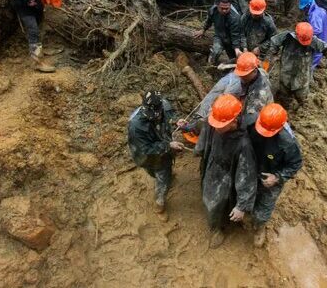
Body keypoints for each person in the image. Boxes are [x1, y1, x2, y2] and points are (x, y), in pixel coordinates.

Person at [199, 94, 257, 248]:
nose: (216, 127)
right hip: (212, 164)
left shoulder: (243, 144)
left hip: (227, 175)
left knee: (218, 203)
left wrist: (242, 206)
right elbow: (204, 126)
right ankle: (218, 223)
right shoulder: (217, 124)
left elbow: (247, 177)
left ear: (234, 121)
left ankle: (218, 228)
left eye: (220, 124)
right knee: (208, 196)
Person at [249, 103, 303, 247]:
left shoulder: (288, 143)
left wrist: (277, 177)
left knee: (263, 208)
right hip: (253, 165)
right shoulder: (255, 121)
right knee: (245, 194)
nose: (262, 132)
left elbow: (296, 164)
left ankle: (259, 227)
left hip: (271, 174)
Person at [127, 91, 185, 221]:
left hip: (163, 146)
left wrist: (176, 121)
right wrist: (168, 146)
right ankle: (159, 205)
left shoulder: (163, 104)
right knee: (160, 177)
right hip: (147, 155)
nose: (156, 117)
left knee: (164, 172)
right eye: (153, 116)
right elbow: (145, 148)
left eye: (158, 114)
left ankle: (166, 175)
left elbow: (169, 116)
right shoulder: (136, 126)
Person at [193, 52, 273, 133]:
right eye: (241, 74)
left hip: (254, 115)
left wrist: (231, 123)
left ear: (254, 71)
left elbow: (250, 120)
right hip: (244, 95)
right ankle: (202, 118)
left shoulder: (259, 94)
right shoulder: (248, 76)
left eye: (245, 75)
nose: (241, 77)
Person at [268, 22, 327, 105]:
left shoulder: (313, 41)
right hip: (286, 74)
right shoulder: (287, 37)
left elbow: (324, 47)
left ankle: (301, 107)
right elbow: (274, 41)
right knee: (284, 96)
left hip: (302, 77)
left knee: (303, 99)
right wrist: (274, 53)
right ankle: (285, 106)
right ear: (296, 34)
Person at [195, 0, 245, 65]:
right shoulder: (213, 10)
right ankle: (210, 66)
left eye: (226, 8)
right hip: (219, 36)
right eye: (222, 8)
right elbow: (209, 21)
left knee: (234, 58)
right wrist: (203, 30)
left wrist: (236, 48)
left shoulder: (235, 18)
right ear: (217, 6)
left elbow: (235, 34)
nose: (224, 10)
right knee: (216, 51)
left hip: (230, 39)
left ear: (230, 6)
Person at [299, 0, 327, 68]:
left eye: (304, 7)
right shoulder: (321, 10)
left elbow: (317, 30)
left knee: (312, 60)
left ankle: (309, 72)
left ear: (308, 5)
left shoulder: (314, 15)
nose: (303, 9)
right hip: (324, 39)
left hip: (318, 42)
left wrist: (304, 33)